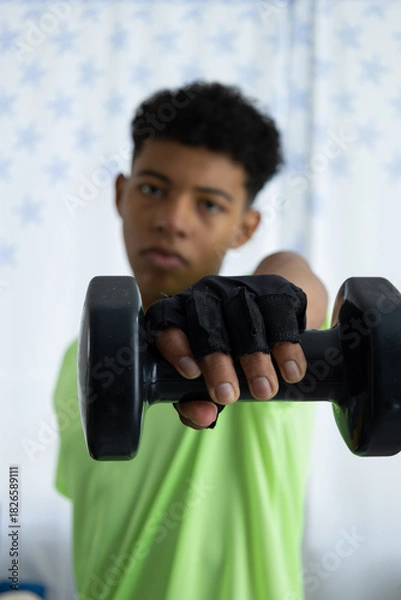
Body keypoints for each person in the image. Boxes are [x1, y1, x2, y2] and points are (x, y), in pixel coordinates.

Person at [53, 80, 328, 600]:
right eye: (153, 189)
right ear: (120, 193)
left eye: (208, 204)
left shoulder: (264, 346)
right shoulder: (79, 358)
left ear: (244, 229)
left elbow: (303, 295)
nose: (172, 222)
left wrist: (282, 284)